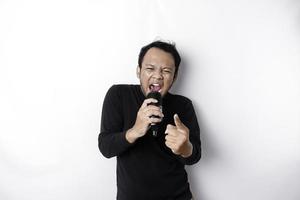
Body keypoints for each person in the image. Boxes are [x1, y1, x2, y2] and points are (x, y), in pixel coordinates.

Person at [98, 40, 201, 200]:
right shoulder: (118, 95)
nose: (158, 76)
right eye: (150, 68)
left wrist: (185, 147)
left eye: (166, 71)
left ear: (174, 76)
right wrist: (135, 130)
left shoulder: (183, 105)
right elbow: (106, 147)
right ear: (138, 71)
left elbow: (194, 156)